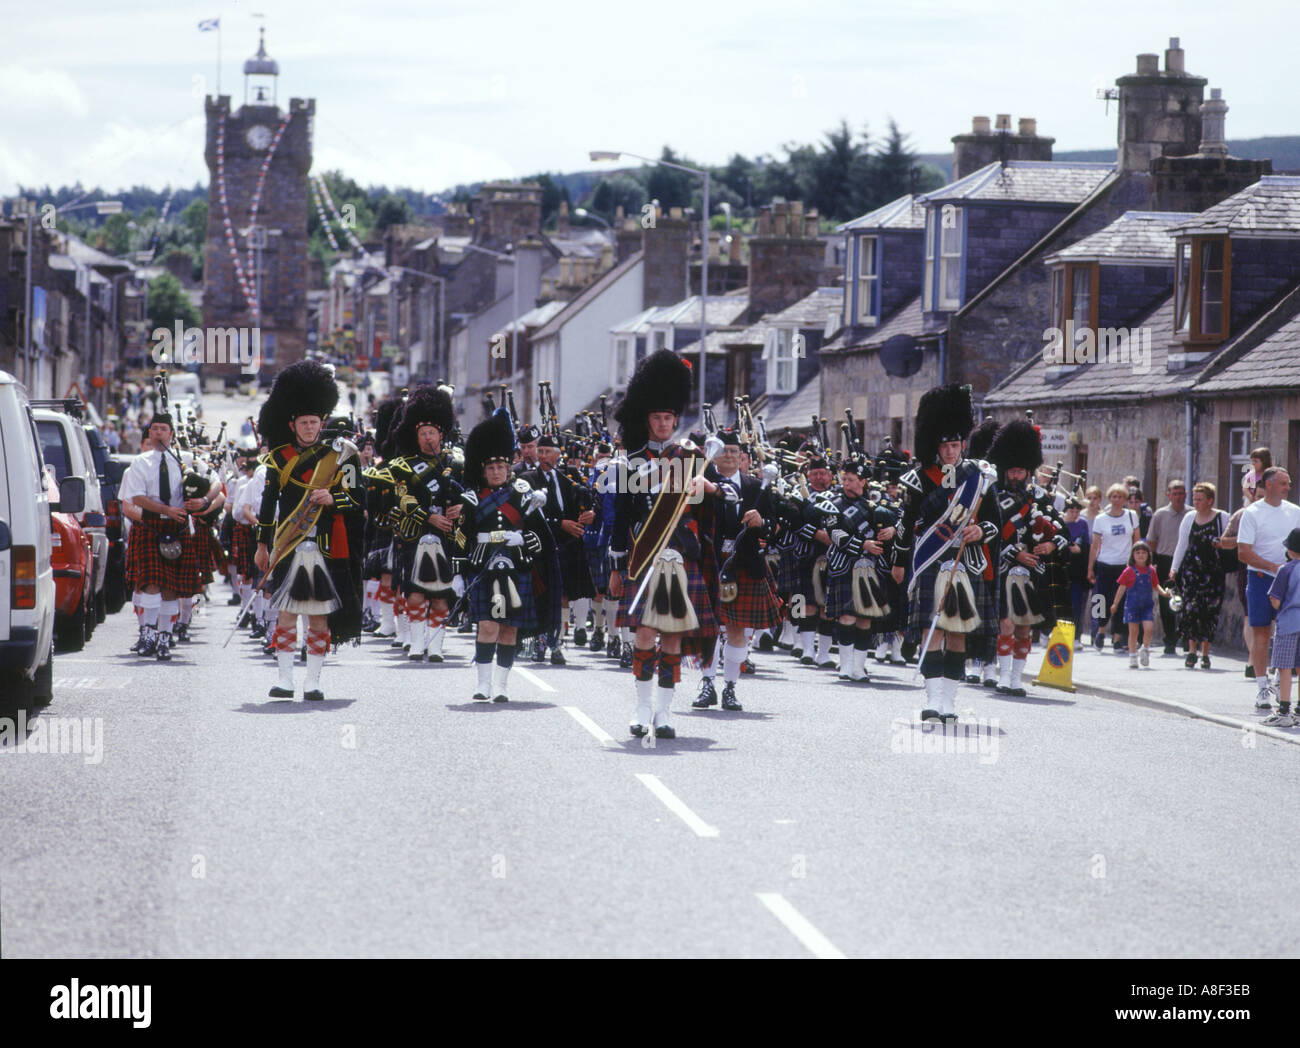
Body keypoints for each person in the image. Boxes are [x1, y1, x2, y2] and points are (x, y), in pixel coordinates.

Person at [607, 350, 719, 740]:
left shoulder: (691, 458)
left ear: (675, 420)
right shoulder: (629, 462)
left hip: (679, 554)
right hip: (644, 555)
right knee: (643, 633)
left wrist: (709, 488)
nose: (662, 424)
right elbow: (620, 518)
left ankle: (664, 712)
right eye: (656, 418)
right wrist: (617, 566)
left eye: (668, 418)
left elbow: (715, 508)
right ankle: (640, 708)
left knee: (672, 635)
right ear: (647, 420)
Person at [254, 361, 364, 701]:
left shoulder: (343, 456)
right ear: (292, 423)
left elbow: (358, 502)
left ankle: (313, 681)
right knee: (286, 615)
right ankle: (285, 680)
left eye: (314, 422)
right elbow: (268, 505)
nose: (309, 428)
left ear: (322, 423)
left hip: (325, 546)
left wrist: (332, 499)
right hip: (288, 544)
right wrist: (262, 545)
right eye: (303, 423)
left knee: (319, 619)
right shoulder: (278, 458)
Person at [890, 384, 1000, 723]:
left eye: (956, 445)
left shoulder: (978, 478)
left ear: (963, 444)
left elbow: (995, 523)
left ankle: (949, 701)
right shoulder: (918, 479)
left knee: (957, 632)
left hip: (965, 562)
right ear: (935, 445)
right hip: (930, 561)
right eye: (945, 446)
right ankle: (933, 699)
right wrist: (898, 561)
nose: (951, 452)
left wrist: (979, 530)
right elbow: (905, 525)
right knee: (931, 631)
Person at [453, 408, 561, 703]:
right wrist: (458, 574)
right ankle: (483, 684)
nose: (497, 472)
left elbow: (541, 537)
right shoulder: (473, 498)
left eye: (501, 467)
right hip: (483, 566)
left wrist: (524, 538)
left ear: (508, 467)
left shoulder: (523, 494)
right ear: (484, 470)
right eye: (491, 468)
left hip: (517, 567)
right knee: (487, 625)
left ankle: (502, 685)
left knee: (510, 628)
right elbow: (461, 538)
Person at [693, 429, 783, 708]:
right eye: (724, 451)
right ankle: (707, 684)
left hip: (745, 564)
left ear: (742, 457)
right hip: (709, 561)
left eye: (734, 451)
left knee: (737, 629)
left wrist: (761, 524)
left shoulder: (757, 487)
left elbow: (776, 529)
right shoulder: (702, 483)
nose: (729, 455)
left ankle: (730, 688)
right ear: (715, 455)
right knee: (708, 628)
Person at [118, 412, 216, 660]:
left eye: (163, 429)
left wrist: (203, 500)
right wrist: (166, 510)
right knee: (151, 583)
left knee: (172, 587)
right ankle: (148, 635)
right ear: (149, 433)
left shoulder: (187, 460)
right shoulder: (141, 462)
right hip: (153, 525)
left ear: (171, 434)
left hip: (179, 528)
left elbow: (216, 483)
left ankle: (165, 637)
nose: (158, 432)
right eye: (154, 429)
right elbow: (137, 498)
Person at [987, 419, 1067, 697]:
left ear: (1028, 471)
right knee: (1006, 623)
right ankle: (1004, 675)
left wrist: (1051, 546)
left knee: (1024, 629)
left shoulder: (1041, 498)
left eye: (1020, 470)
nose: (1015, 474)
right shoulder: (993, 497)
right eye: (1011, 469)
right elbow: (989, 534)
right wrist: (1015, 552)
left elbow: (1063, 531)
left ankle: (1017, 679)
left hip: (1033, 572)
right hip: (1004, 569)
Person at [386, 385, 464, 663]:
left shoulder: (456, 463)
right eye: (422, 433)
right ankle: (417, 644)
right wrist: (427, 516)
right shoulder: (403, 465)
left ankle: (436, 646)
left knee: (441, 595)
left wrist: (460, 508)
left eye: (432, 432)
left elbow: (470, 492)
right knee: (416, 593)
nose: (427, 437)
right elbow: (401, 498)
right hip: (415, 533)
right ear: (415, 436)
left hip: (448, 536)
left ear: (441, 433)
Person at [522, 432, 596, 665]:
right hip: (543, 545)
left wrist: (590, 514)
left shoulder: (570, 476)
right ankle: (540, 643)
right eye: (540, 451)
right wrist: (560, 524)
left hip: (569, 545)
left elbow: (587, 501)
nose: (542, 456)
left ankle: (557, 644)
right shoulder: (528, 478)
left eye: (547, 452)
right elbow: (530, 515)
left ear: (557, 456)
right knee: (543, 595)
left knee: (564, 596)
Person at [1237, 467, 1300, 711]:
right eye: (1283, 483)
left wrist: (1289, 570)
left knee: (1288, 632)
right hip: (1262, 578)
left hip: (1292, 580)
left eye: (1289, 483)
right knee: (1261, 632)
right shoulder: (1252, 513)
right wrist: (1274, 567)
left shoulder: (1295, 512)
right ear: (1269, 485)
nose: (1288, 487)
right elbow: (1243, 552)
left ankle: (1279, 678)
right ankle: (1262, 686)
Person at [1167, 482, 1229, 669]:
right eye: (1194, 499)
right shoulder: (1189, 518)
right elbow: (1182, 544)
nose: (1197, 502)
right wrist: (1174, 568)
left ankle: (1206, 653)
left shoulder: (1222, 518)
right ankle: (1192, 651)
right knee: (1191, 610)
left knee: (1209, 613)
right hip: (1191, 572)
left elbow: (1230, 540)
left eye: (1200, 499)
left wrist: (1221, 544)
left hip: (1213, 573)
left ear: (1210, 500)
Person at [1087, 483, 1140, 652]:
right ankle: (1099, 631)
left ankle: (1118, 637)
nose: (1117, 500)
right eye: (1114, 497)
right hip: (1105, 563)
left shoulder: (1131, 516)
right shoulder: (1101, 519)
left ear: (1125, 499)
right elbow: (1095, 545)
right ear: (1109, 499)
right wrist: (1090, 567)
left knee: (1122, 601)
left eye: (1120, 497)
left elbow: (1137, 541)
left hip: (1124, 565)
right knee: (1101, 599)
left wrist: (1138, 565)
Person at [1110, 540, 1170, 668]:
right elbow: (1121, 588)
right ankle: (1132, 656)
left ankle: (1145, 649)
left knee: (1148, 628)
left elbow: (1155, 585)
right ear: (1133, 555)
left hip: (1147, 605)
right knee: (1133, 631)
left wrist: (1164, 593)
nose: (1141, 555)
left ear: (1148, 555)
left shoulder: (1151, 570)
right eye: (1138, 553)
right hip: (1132, 606)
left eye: (1144, 553)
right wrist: (1115, 604)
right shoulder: (1129, 571)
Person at [1146, 479, 1189, 655]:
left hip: (1187, 562)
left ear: (1185, 495)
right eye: (1174, 493)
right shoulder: (1160, 515)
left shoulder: (1191, 514)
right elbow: (1151, 540)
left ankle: (1187, 638)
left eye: (1181, 493)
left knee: (1187, 601)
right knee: (1166, 602)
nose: (1178, 497)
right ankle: (1170, 639)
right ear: (1168, 495)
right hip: (1165, 561)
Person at [1264, 528, 1300, 726]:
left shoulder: (1285, 570)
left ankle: (1284, 711)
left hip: (1288, 623)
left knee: (1284, 667)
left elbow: (1275, 600)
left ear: (1290, 550)